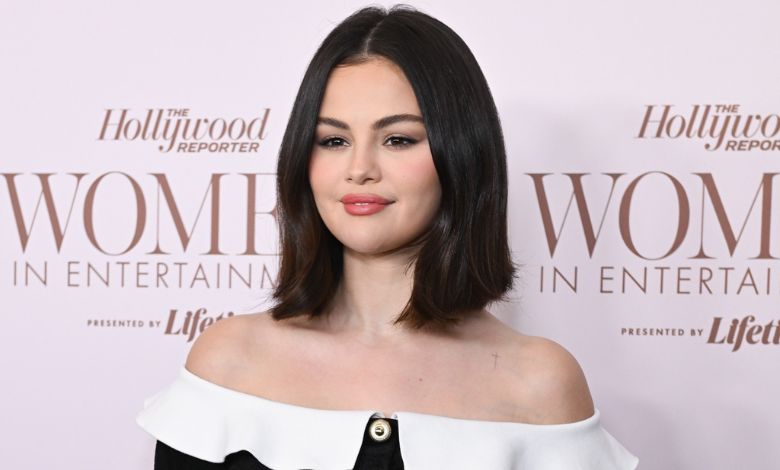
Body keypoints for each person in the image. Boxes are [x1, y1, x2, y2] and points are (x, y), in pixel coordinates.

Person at [136, 4, 639, 469]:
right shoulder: (228, 361)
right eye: (333, 140)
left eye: (398, 139)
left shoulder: (541, 384)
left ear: (461, 155)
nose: (359, 169)